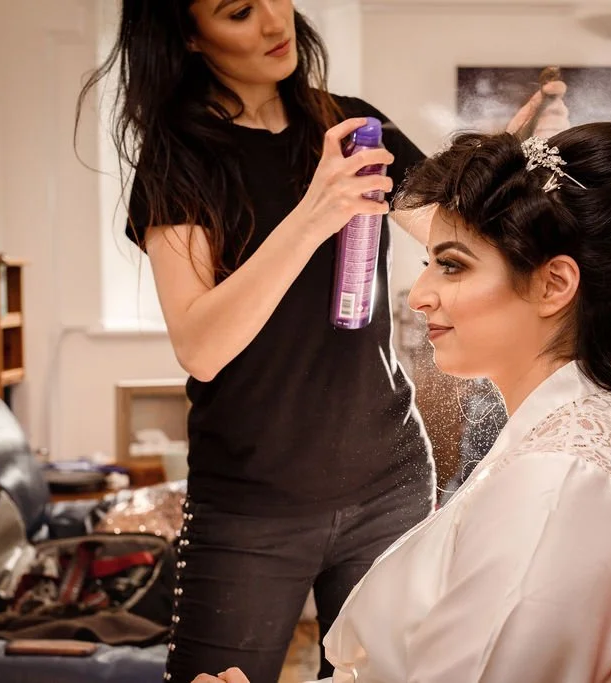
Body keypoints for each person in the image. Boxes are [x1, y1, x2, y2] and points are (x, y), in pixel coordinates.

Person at [192, 122, 611, 683]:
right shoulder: (563, 436)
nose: (420, 296)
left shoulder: (561, 483)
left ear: (553, 284)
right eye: (429, 263)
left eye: (452, 267)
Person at [74, 2, 569, 682]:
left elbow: (458, 236)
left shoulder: (354, 128)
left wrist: (521, 165)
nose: (275, 21)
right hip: (249, 508)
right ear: (189, 36)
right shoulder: (179, 159)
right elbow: (201, 345)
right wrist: (315, 213)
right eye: (239, 11)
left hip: (388, 483)